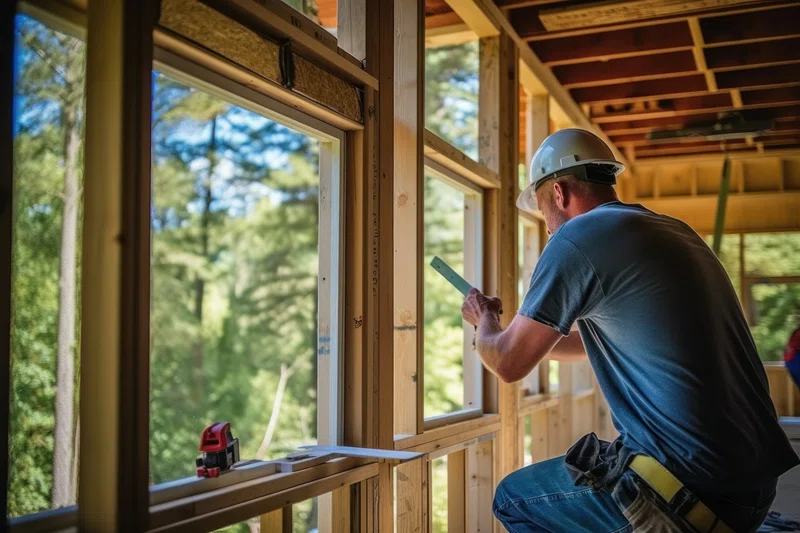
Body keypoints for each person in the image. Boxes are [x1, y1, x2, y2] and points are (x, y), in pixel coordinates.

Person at [461, 128, 799, 533]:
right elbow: (586, 344)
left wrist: (486, 321)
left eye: (540, 206)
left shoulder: (575, 238)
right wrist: (531, 336)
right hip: (752, 487)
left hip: (692, 489)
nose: (547, 224)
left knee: (513, 499)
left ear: (559, 193)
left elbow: (508, 363)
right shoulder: (669, 230)